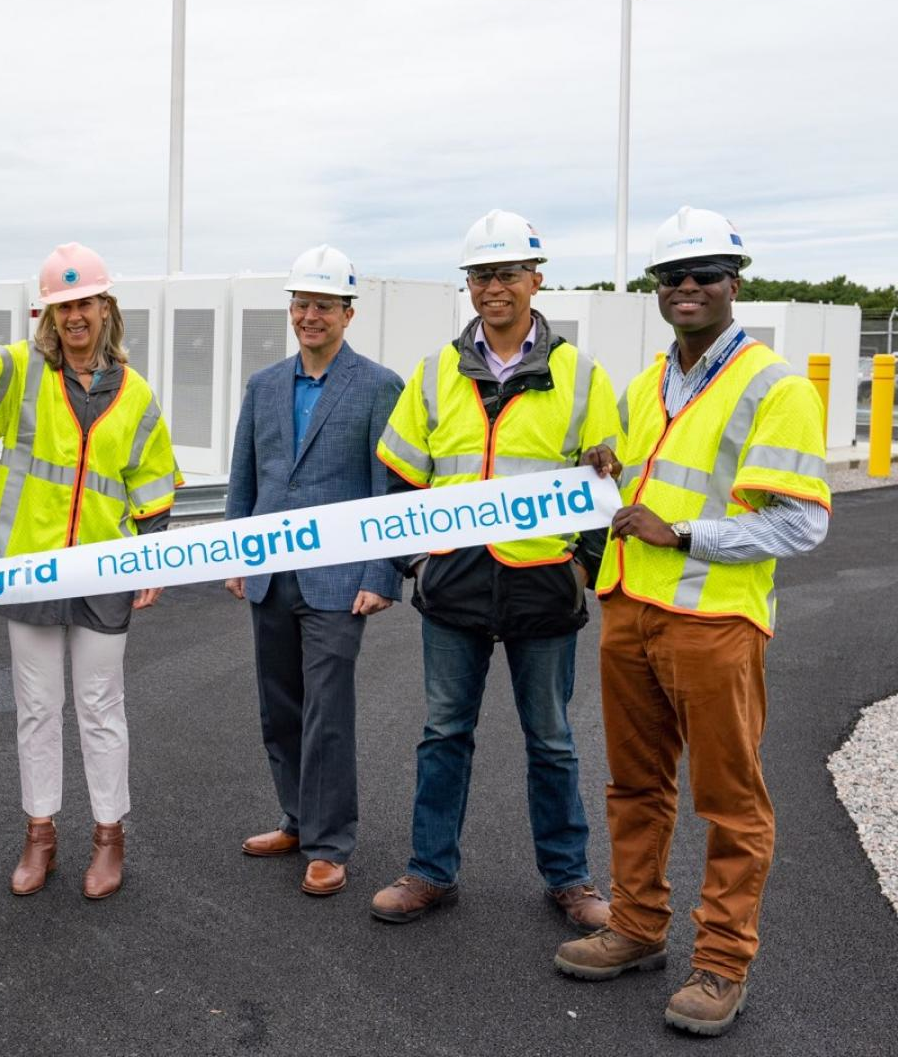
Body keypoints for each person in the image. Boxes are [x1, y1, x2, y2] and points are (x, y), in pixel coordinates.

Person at [554, 208, 830, 1039]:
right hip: (631, 611)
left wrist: (683, 535)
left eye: (704, 273)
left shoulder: (773, 385)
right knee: (635, 786)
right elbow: (642, 480)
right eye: (672, 276)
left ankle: (722, 962)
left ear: (734, 283)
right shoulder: (647, 385)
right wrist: (607, 470)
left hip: (714, 622)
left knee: (729, 799)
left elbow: (801, 524)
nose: (686, 288)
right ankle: (637, 927)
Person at [370, 211, 620, 930]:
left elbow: (607, 489)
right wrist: (415, 560)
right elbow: (400, 482)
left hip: (543, 587)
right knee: (443, 733)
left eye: (508, 273)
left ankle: (570, 880)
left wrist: (579, 568)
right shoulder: (433, 373)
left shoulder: (581, 376)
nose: (494, 287)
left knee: (551, 739)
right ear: (469, 285)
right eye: (481, 275)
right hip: (454, 588)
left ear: (537, 279)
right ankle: (429, 872)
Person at [0, 243, 180, 899]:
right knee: (37, 709)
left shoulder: (138, 395)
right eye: (63, 307)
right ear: (49, 315)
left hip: (101, 574)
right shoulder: (25, 371)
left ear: (106, 308)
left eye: (85, 303)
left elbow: (151, 483)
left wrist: (150, 553)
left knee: (100, 708)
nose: (74, 317)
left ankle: (107, 841)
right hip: (31, 572)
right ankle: (40, 837)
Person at [224, 245, 404, 897]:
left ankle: (330, 843)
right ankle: (297, 819)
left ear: (347, 314)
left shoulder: (379, 387)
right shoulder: (264, 385)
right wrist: (236, 555)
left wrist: (382, 574)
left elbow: (390, 490)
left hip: (338, 580)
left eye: (323, 305)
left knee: (327, 710)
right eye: (301, 304)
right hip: (270, 573)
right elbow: (246, 480)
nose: (309, 316)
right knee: (279, 707)